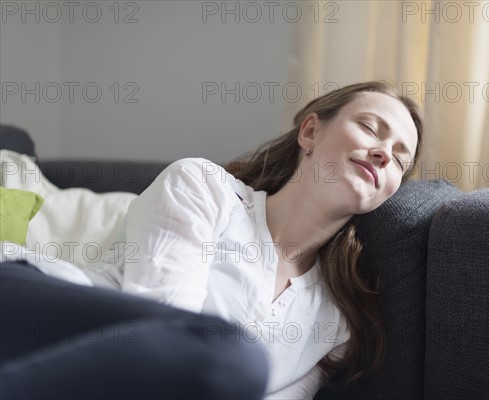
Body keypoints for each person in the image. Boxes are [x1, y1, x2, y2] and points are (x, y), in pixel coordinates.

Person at [0, 80, 423, 399]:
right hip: (27, 310)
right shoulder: (204, 187)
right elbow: (163, 337)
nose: (384, 152)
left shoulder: (336, 320)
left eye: (400, 159)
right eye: (370, 128)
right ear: (310, 132)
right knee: (228, 357)